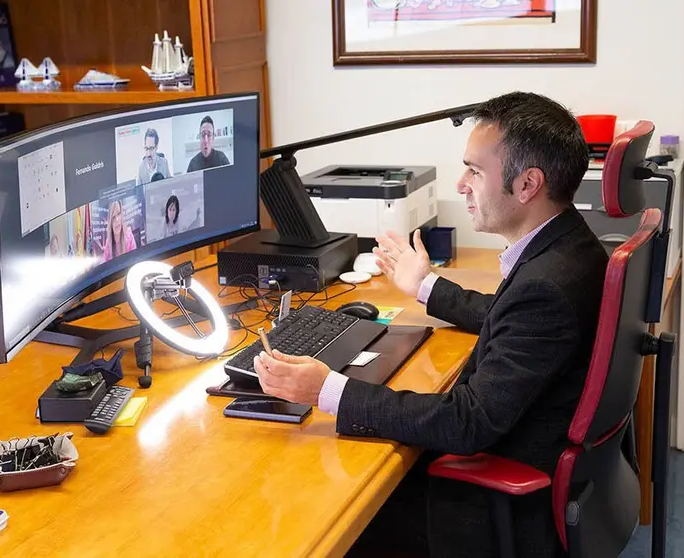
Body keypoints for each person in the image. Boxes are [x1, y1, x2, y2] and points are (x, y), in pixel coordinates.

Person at [252, 91, 610, 557]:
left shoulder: (544, 289)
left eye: (475, 171)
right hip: (536, 459)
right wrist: (426, 286)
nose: (461, 184)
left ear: (528, 184)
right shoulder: (571, 248)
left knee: (314, 511)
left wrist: (326, 390)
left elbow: (467, 423)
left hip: (491, 506)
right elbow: (507, 319)